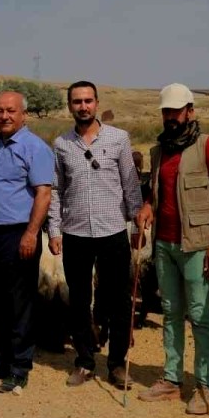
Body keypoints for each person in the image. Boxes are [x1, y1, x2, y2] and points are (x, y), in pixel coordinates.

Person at [134, 83, 209, 415]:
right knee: (172, 313)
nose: (171, 117)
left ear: (190, 111)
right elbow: (155, 193)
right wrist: (147, 207)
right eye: (166, 111)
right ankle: (172, 380)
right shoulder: (158, 151)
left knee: (202, 315)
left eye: (176, 111)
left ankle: (206, 387)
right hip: (165, 244)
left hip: (198, 245)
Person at [47, 81, 142, 389]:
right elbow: (57, 190)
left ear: (97, 103)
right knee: (78, 300)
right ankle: (85, 361)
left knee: (118, 299)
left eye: (88, 100)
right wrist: (54, 229)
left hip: (112, 229)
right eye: (77, 101)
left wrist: (137, 225)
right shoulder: (61, 144)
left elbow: (131, 185)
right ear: (69, 106)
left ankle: (116, 364)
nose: (83, 106)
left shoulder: (119, 139)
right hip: (75, 232)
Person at [0, 91, 56, 394]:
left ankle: (20, 368)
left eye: (10, 111)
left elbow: (43, 194)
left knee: (20, 302)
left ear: (24, 115)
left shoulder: (35, 149)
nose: (4, 116)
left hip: (19, 233)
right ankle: (1, 363)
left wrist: (32, 233)